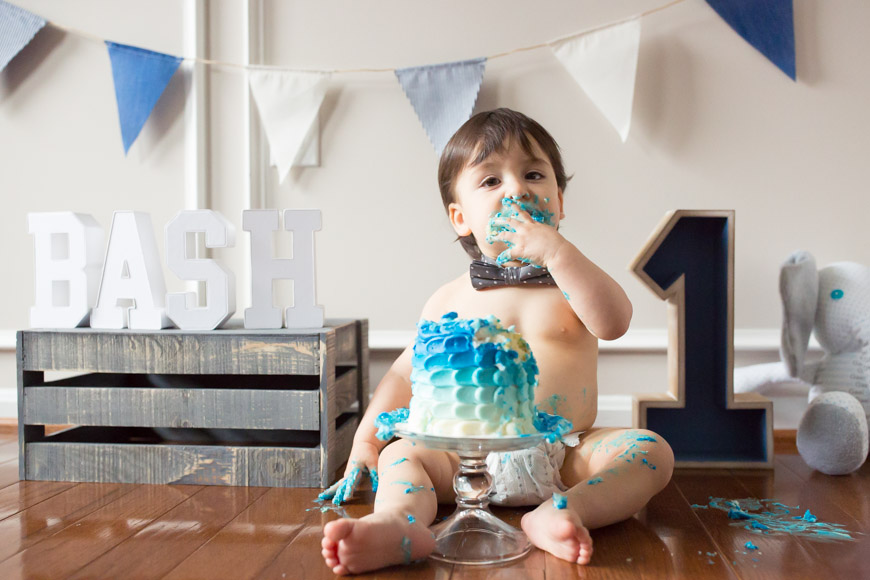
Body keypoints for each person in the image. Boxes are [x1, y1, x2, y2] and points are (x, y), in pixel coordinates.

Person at [320, 108, 674, 575]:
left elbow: (614, 323)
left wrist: (558, 253)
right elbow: (406, 372)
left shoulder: (574, 283)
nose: (516, 189)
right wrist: (366, 442)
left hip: (565, 452)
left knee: (650, 452)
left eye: (532, 174)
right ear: (460, 217)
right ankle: (398, 524)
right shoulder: (450, 298)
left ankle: (564, 513)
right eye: (490, 181)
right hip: (465, 456)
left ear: (560, 203)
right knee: (401, 454)